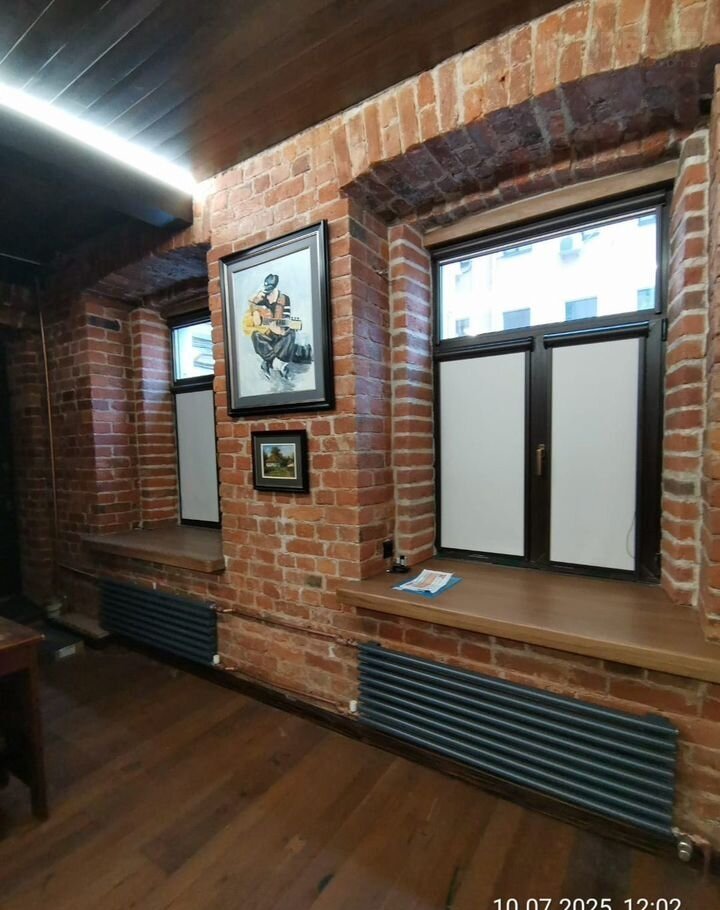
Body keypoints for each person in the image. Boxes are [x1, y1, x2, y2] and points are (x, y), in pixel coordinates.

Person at [247, 273, 312, 383]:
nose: (267, 294)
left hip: (279, 335)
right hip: (268, 334)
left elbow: (286, 320)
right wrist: (256, 310)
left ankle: (269, 361)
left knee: (290, 333)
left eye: (269, 291)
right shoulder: (263, 298)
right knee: (255, 335)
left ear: (274, 288)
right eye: (266, 290)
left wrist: (280, 331)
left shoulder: (284, 299)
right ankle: (277, 363)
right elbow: (251, 302)